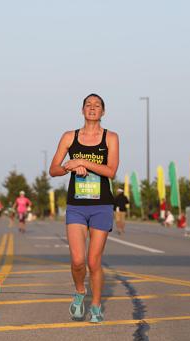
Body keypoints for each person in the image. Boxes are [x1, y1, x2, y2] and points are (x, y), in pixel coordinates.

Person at [49, 93, 119, 323]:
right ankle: (80, 291)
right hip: (77, 206)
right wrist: (70, 167)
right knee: (78, 260)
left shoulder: (111, 137)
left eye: (97, 105)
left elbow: (111, 171)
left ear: (103, 112)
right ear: (82, 111)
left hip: (101, 206)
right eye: (88, 105)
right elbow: (54, 169)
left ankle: (96, 306)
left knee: (93, 261)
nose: (92, 108)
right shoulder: (70, 137)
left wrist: (84, 163)